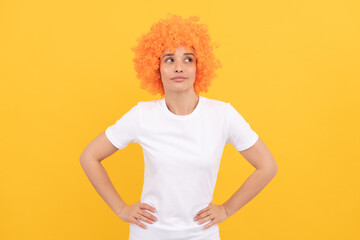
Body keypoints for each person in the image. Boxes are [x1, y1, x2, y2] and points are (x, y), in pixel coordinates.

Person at [79, 14, 278, 240]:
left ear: (199, 66)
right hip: (149, 234)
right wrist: (121, 209)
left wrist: (226, 209)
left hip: (202, 235)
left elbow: (267, 166)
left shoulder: (222, 115)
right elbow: (89, 156)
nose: (179, 68)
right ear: (156, 67)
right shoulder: (143, 115)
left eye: (188, 59)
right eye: (169, 59)